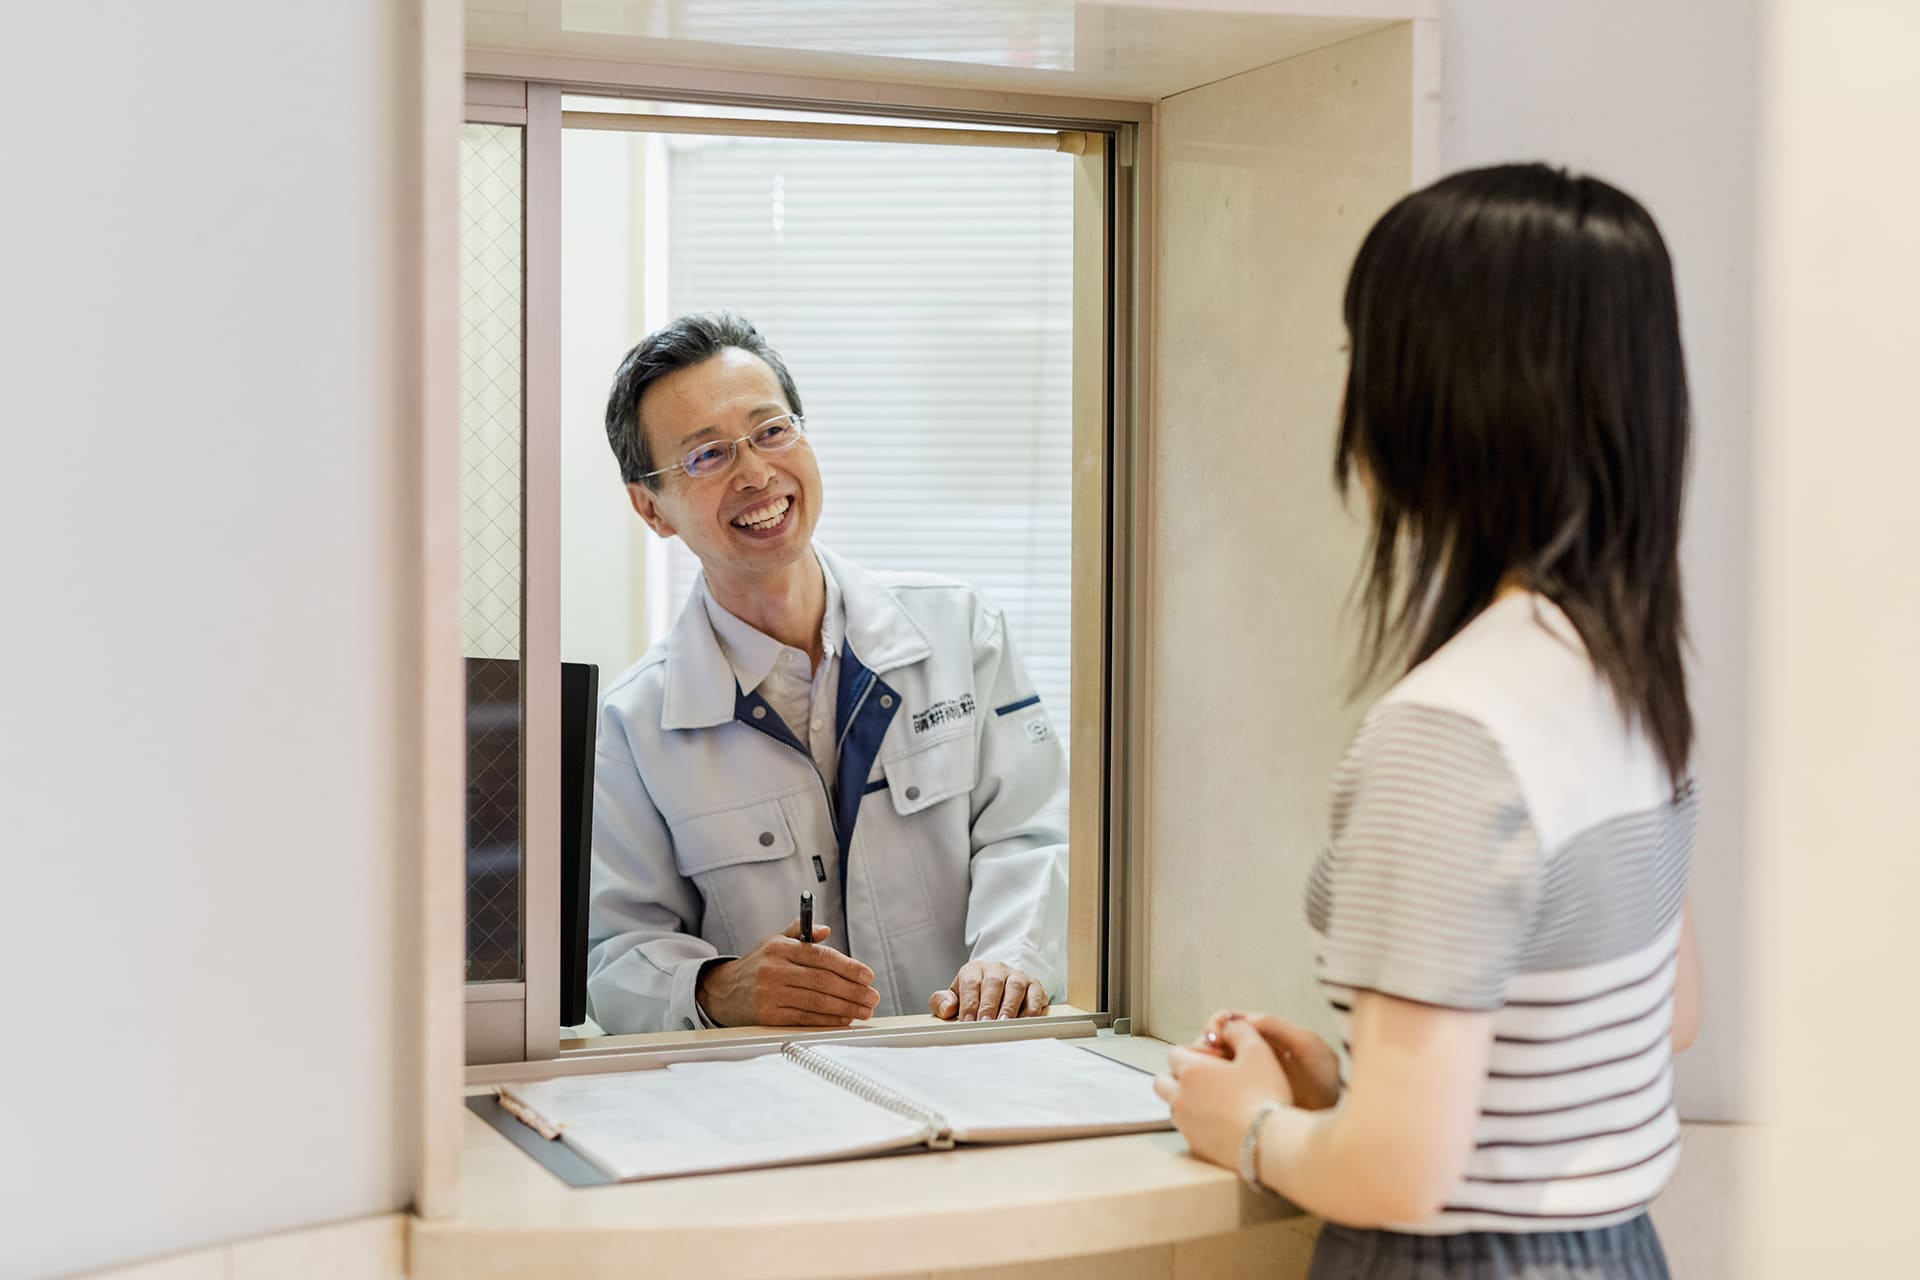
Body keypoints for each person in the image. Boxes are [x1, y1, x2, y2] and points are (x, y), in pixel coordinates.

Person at [1153, 164, 1704, 1279]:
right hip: (1618, 1250)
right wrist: (1361, 1081)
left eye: (1363, 352)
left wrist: (1249, 1124)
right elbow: (1665, 1013)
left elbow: (1401, 1172)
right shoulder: (1625, 674)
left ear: (1439, 394)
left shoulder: (1453, 726)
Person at [585, 311, 1068, 1035]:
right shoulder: (630, 728)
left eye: (772, 431)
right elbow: (615, 952)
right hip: (774, 1105)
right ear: (650, 507)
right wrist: (718, 988)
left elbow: (1033, 836)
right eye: (708, 456)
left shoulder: (960, 632)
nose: (755, 473)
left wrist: (1009, 961)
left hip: (975, 1063)